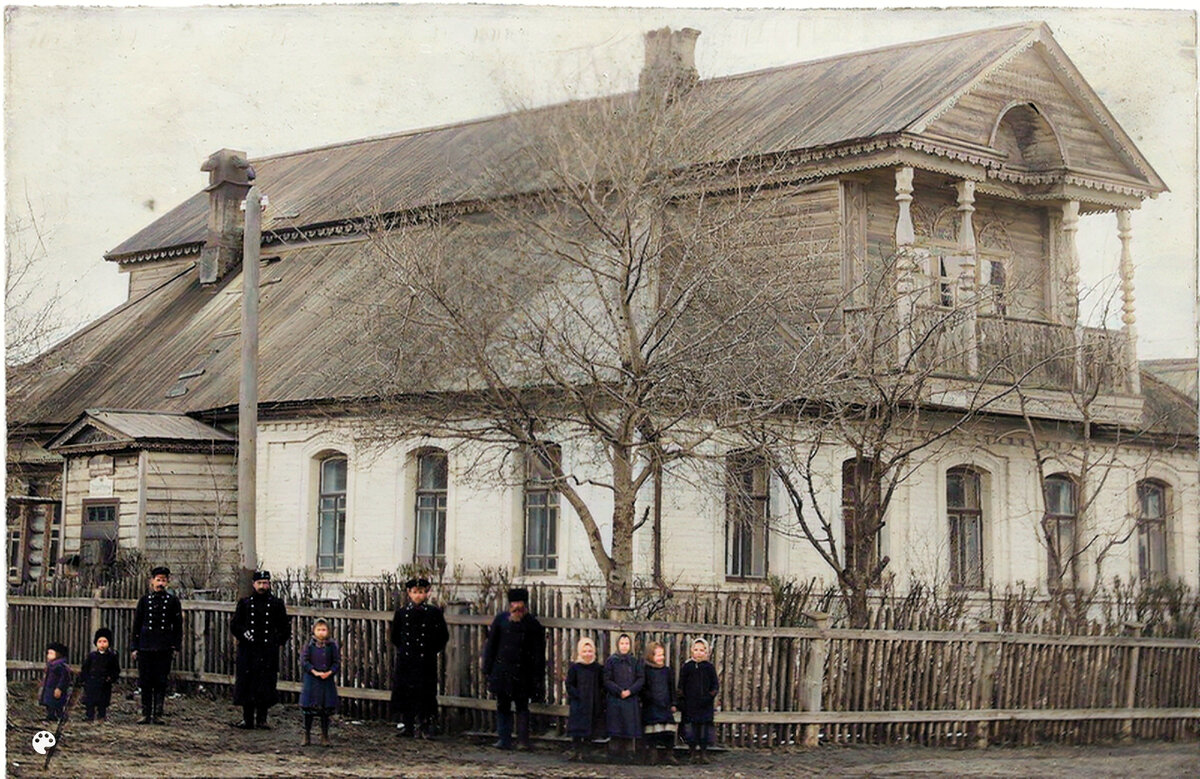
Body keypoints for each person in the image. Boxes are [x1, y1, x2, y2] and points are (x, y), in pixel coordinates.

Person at [481, 587, 545, 750]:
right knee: (502, 705)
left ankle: (523, 740)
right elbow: (491, 646)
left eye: (520, 602)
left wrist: (537, 677)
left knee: (522, 707)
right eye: (514, 603)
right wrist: (487, 668)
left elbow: (538, 653)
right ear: (510, 604)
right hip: (502, 672)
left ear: (525, 604)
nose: (517, 606)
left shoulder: (533, 624)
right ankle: (504, 739)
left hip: (524, 673)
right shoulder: (500, 620)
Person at [230, 570, 291, 729]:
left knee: (265, 685)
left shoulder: (276, 604)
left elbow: (284, 628)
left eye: (265, 583)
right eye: (259, 583)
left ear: (269, 584)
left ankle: (262, 719)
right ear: (253, 584)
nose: (262, 586)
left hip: (267, 652)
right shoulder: (245, 603)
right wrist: (244, 634)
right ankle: (247, 719)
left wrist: (275, 641)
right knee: (247, 685)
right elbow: (235, 625)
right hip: (248, 652)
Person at [389, 576, 450, 738]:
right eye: (415, 592)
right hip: (407, 660)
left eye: (421, 592)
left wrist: (431, 651)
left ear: (427, 593)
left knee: (425, 693)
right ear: (409, 593)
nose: (418, 596)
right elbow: (395, 636)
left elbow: (443, 636)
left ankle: (425, 726)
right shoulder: (402, 613)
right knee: (406, 692)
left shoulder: (433, 613)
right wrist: (404, 651)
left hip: (425, 660)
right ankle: (408, 726)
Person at [131, 565, 182, 725]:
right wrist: (134, 647)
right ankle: (145, 713)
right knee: (145, 681)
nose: (160, 583)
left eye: (164, 581)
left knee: (161, 681)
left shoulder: (173, 601)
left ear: (168, 583)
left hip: (164, 647)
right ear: (152, 581)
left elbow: (178, 626)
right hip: (146, 646)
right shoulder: (145, 601)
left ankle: (158, 714)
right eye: (158, 580)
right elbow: (136, 625)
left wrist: (176, 646)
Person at [677, 637, 719, 764]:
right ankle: (692, 752)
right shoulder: (687, 667)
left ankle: (703, 753)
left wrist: (709, 697)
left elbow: (715, 686)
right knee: (691, 730)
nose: (699, 653)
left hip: (705, 705)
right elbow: (681, 686)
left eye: (702, 650)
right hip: (690, 705)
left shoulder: (709, 668)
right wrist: (683, 700)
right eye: (696, 650)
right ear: (691, 651)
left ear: (707, 652)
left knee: (704, 730)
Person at [603, 633, 644, 763]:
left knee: (629, 728)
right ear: (617, 645)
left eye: (627, 643)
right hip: (615, 699)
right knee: (615, 728)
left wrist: (630, 691)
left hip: (630, 699)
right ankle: (614, 753)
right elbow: (607, 679)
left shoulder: (634, 661)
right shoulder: (611, 661)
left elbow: (640, 678)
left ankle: (629, 753)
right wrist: (618, 691)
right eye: (622, 643)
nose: (624, 646)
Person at [300, 618, 340, 747]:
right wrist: (314, 671)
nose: (321, 632)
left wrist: (330, 672)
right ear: (314, 631)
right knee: (309, 710)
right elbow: (304, 661)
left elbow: (336, 662)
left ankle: (325, 735)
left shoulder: (332, 646)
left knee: (325, 711)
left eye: (324, 630)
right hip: (312, 682)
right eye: (319, 630)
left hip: (326, 682)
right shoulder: (309, 645)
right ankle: (306, 734)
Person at [565, 636, 604, 762]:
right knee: (577, 729)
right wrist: (576, 695)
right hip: (579, 702)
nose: (587, 654)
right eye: (584, 651)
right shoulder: (575, 668)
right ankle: (576, 750)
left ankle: (586, 752)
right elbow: (569, 684)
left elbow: (601, 685)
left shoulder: (597, 668)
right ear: (579, 652)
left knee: (590, 728)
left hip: (592, 702)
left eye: (590, 651)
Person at [641, 641, 677, 765]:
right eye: (658, 655)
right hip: (651, 705)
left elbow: (671, 688)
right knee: (653, 732)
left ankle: (669, 754)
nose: (661, 658)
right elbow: (643, 688)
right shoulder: (646, 670)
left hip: (665, 704)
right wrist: (649, 698)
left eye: (662, 655)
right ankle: (653, 754)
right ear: (651, 656)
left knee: (669, 731)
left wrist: (673, 703)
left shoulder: (667, 671)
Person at [80, 628, 121, 723]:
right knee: (90, 701)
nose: (102, 644)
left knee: (102, 702)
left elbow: (115, 670)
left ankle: (101, 716)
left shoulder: (111, 657)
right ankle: (89, 716)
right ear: (96, 643)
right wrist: (84, 678)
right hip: (92, 682)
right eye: (99, 641)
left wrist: (111, 678)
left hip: (104, 683)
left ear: (109, 643)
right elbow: (85, 668)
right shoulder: (92, 656)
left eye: (105, 641)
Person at [40, 642, 72, 722]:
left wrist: (59, 688)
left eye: (51, 653)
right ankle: (50, 715)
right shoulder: (51, 665)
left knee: (57, 703)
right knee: (49, 703)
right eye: (48, 653)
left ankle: (61, 716)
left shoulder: (60, 666)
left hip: (56, 689)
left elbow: (64, 678)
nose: (48, 655)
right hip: (49, 688)